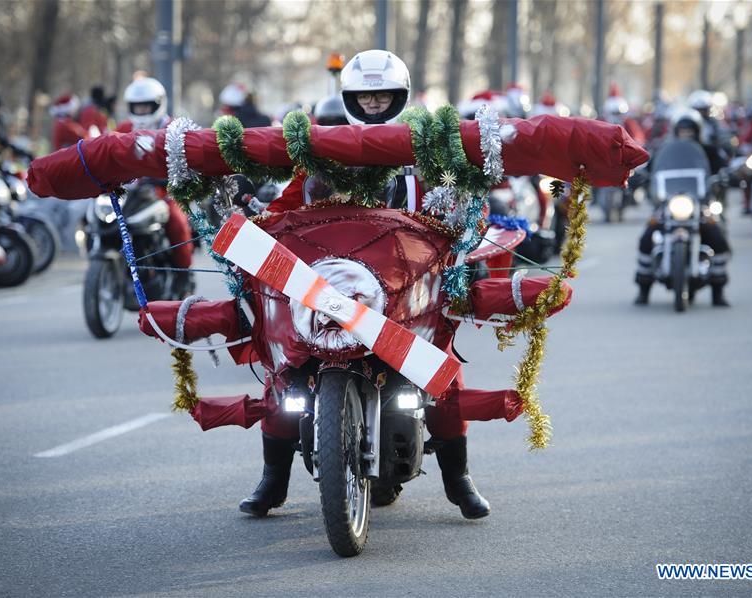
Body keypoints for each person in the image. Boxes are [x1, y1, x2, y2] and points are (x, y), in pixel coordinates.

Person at [240, 49, 492, 521]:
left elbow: (464, 208)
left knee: (444, 376)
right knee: (284, 378)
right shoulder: (321, 158)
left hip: (407, 297)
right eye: (365, 96)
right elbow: (283, 212)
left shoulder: (430, 153)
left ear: (401, 96)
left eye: (382, 96)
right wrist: (254, 221)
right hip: (331, 293)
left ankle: (458, 480)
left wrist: (465, 252)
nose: (374, 104)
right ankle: (273, 481)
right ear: (349, 99)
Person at [634, 109, 731, 307]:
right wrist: (640, 176)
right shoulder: (664, 150)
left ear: (698, 130)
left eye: (690, 130)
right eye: (682, 129)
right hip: (669, 204)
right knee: (646, 238)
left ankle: (718, 291)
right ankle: (643, 289)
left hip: (699, 204)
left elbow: (723, 167)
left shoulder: (708, 150)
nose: (686, 133)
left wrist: (726, 176)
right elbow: (650, 168)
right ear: (675, 130)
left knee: (718, 238)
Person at [115, 77, 195, 295]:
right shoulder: (123, 128)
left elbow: (188, 159)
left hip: (164, 192)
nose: (141, 112)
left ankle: (183, 275)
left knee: (178, 223)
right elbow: (106, 154)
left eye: (146, 107)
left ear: (158, 104)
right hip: (128, 194)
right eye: (136, 107)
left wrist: (174, 178)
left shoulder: (173, 128)